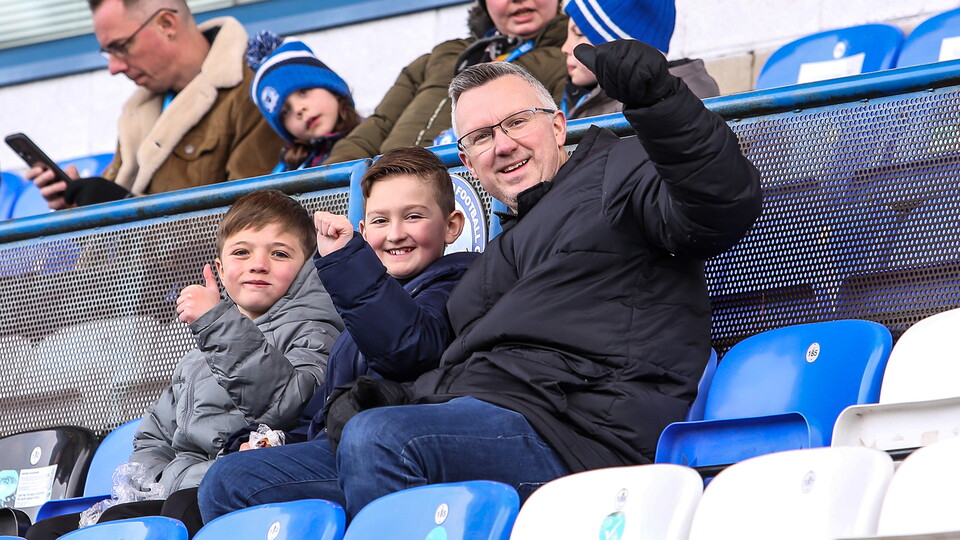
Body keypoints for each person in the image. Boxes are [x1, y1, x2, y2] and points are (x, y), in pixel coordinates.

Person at [199, 39, 761, 522]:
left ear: (558, 125)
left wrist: (659, 101)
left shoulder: (620, 170)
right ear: (468, 161)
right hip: (483, 419)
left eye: (516, 123)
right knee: (233, 482)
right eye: (481, 137)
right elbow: (423, 349)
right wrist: (381, 380)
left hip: (580, 428)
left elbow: (722, 204)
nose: (503, 145)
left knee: (382, 440)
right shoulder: (497, 255)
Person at [25, 190, 343, 539]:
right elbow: (154, 437)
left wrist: (217, 324)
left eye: (279, 253)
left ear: (305, 267)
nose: (258, 264)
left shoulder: (315, 330)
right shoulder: (198, 353)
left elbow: (286, 405)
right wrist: (160, 481)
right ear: (220, 270)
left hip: (234, 488)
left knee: (173, 515)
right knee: (46, 531)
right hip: (178, 488)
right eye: (241, 252)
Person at [198, 146, 478, 518]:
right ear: (364, 230)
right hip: (339, 446)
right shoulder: (358, 312)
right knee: (223, 479)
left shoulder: (458, 283)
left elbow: (409, 348)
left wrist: (347, 261)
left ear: (452, 225)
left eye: (413, 216)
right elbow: (321, 417)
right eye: (380, 221)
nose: (395, 234)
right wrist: (270, 441)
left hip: (394, 448)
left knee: (233, 482)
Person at [28, 0, 284, 209]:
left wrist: (125, 211)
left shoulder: (255, 90)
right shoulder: (140, 109)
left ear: (166, 24)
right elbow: (111, 205)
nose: (114, 68)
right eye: (108, 52)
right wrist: (75, 203)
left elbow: (248, 226)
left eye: (120, 47)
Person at [322, 0, 568, 164]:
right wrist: (330, 180)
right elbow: (377, 126)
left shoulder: (571, 57)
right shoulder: (443, 55)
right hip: (389, 187)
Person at [561, 0, 720, 119]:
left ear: (620, 46)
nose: (565, 48)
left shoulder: (644, 106)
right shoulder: (595, 94)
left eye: (578, 34)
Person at [247, 36, 362, 172]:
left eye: (303, 92)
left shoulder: (374, 137)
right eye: (285, 112)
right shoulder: (286, 172)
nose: (298, 109)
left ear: (333, 88)